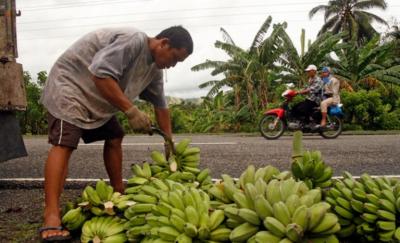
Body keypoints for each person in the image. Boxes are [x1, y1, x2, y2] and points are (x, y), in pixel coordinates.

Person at [38, 25, 193, 241]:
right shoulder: (134, 41)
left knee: (114, 136)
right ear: (164, 43)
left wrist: (168, 141)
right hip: (70, 87)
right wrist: (131, 110)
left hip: (97, 99)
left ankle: (118, 192)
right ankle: (51, 214)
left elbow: (161, 106)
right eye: (175, 58)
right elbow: (100, 75)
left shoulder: (155, 70)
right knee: (65, 143)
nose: (173, 65)